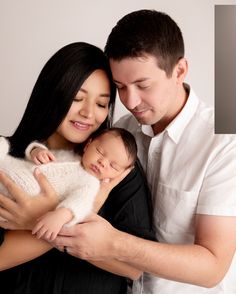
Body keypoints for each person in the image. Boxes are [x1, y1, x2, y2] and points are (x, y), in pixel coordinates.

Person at [45, 9, 236, 294]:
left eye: (142, 85)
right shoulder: (122, 132)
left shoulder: (223, 142)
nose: (130, 101)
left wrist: (114, 243)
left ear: (180, 70)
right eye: (120, 87)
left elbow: (212, 267)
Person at [0, 41, 155, 294]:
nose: (88, 113)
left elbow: (134, 268)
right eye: (77, 98)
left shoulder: (115, 169)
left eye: (101, 104)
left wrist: (46, 220)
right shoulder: (10, 156)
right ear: (53, 94)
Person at [0, 127, 138, 241]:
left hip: (27, 192)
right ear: (88, 145)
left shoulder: (89, 184)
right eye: (100, 152)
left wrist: (60, 216)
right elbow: (43, 154)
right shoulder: (70, 155)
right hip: (22, 170)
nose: (102, 162)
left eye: (113, 166)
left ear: (118, 175)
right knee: (6, 153)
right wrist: (36, 151)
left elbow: (80, 203)